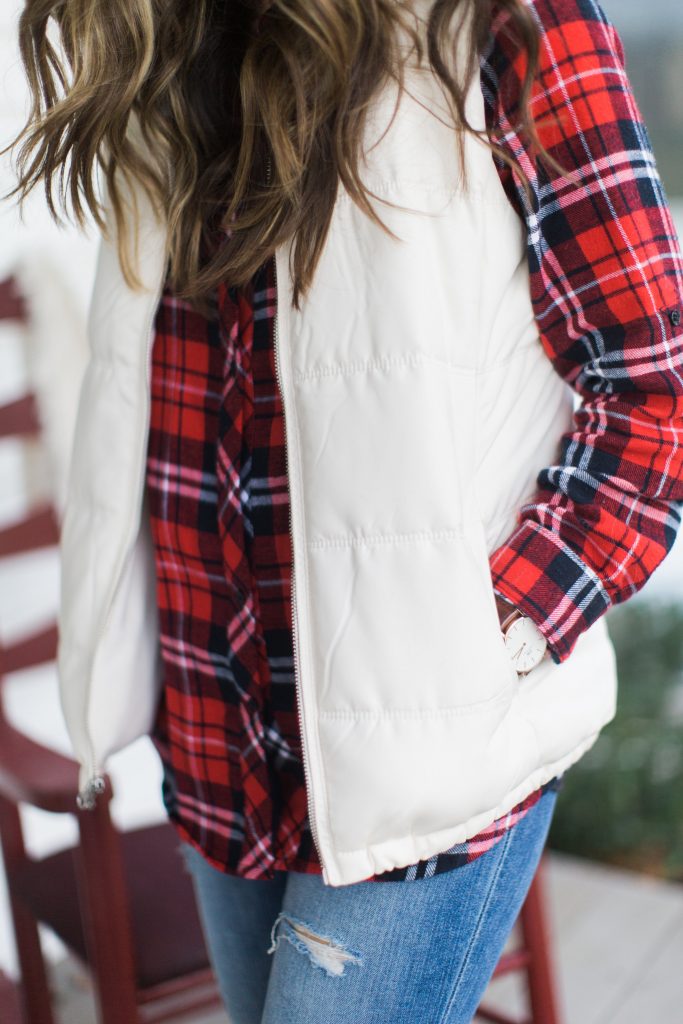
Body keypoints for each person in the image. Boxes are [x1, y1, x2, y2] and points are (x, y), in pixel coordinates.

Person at [5, 0, 683, 1021]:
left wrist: (489, 632)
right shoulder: (162, 35)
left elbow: (652, 385)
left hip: (425, 757)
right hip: (211, 740)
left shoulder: (498, 19)